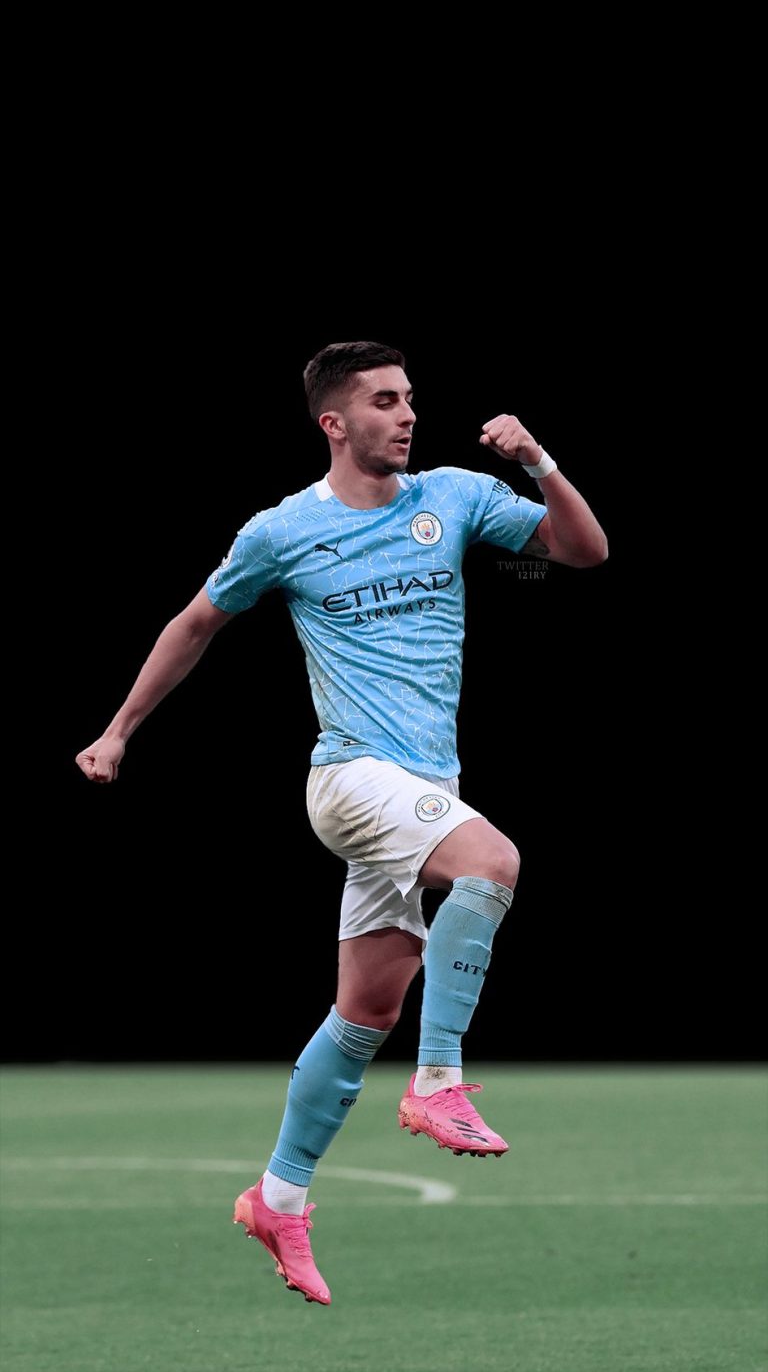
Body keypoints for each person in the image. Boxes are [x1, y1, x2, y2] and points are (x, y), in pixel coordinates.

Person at [76, 340, 608, 1307]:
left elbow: (584, 550)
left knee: (365, 1013)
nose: (407, 415)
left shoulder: (451, 497)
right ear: (335, 422)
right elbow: (194, 623)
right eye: (384, 401)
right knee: (492, 860)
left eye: (409, 398)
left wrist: (538, 461)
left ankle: (278, 1199)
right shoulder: (284, 530)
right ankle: (439, 1079)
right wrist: (118, 730)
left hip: (424, 787)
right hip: (352, 777)